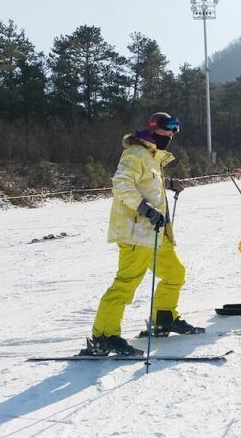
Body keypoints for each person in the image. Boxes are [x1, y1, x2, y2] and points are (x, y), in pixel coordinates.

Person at [82, 112, 203, 357]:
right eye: (170, 127)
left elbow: (145, 182)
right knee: (125, 284)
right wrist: (145, 209)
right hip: (136, 232)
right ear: (154, 127)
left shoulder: (151, 157)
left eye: (176, 128)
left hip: (157, 234)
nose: (173, 133)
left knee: (175, 273)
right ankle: (104, 336)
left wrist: (168, 184)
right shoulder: (135, 153)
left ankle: (164, 318)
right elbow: (121, 184)